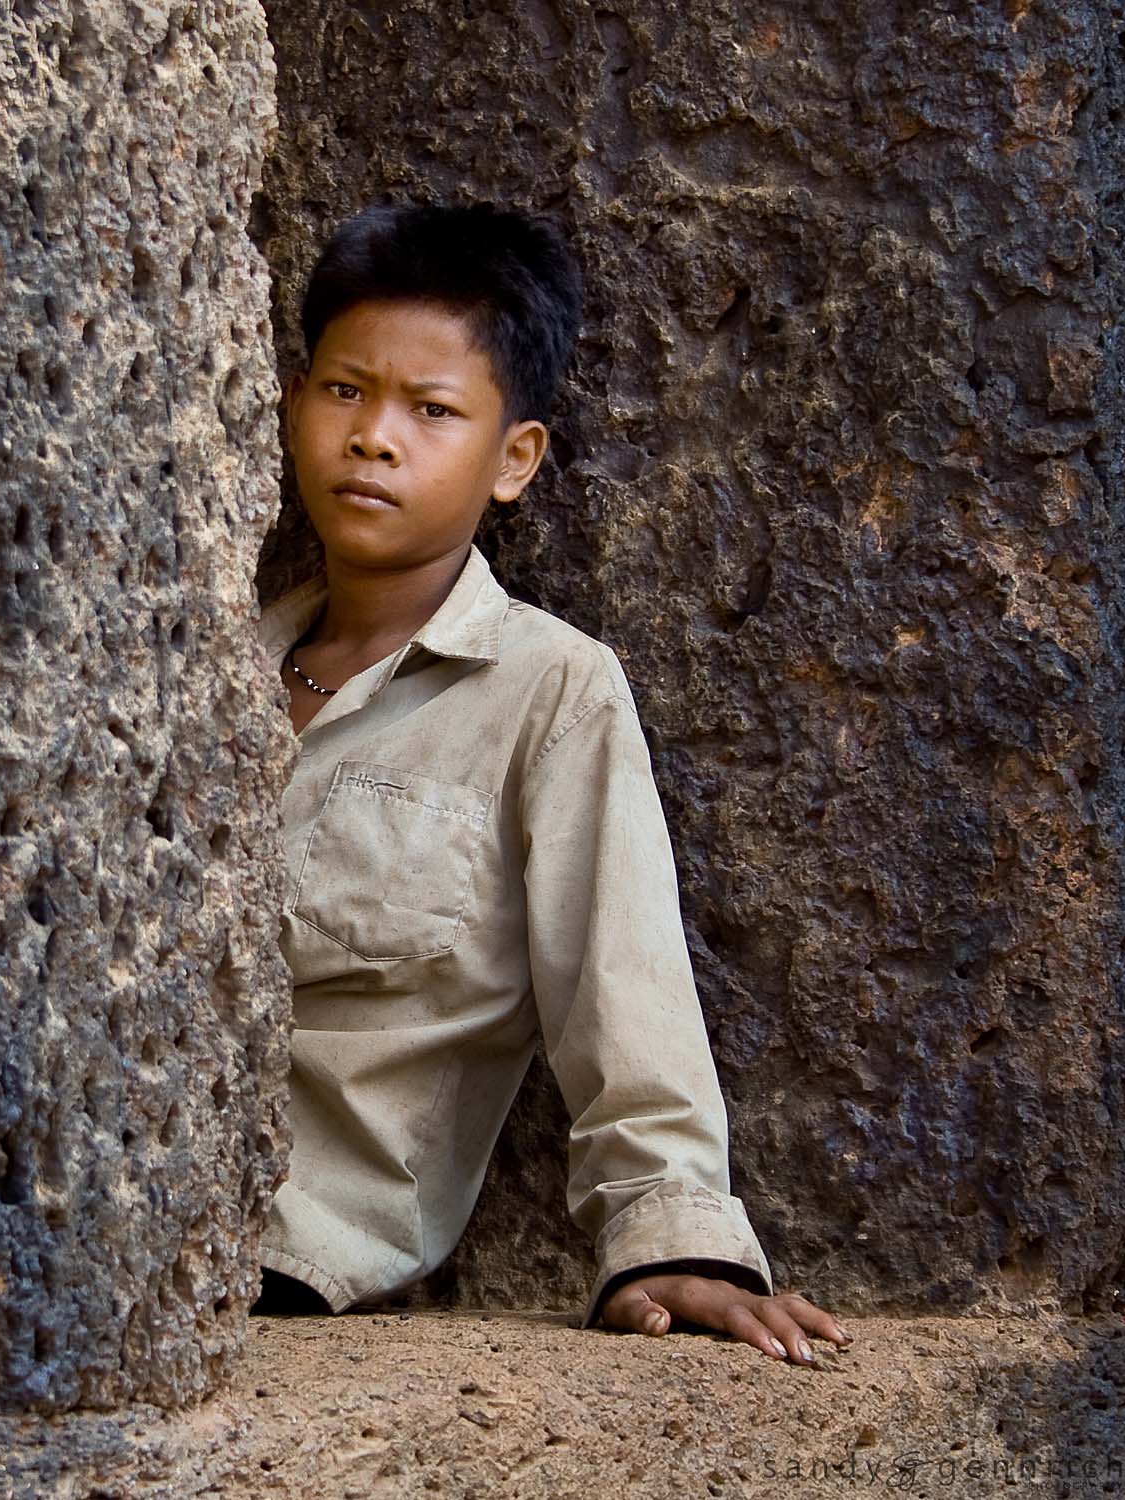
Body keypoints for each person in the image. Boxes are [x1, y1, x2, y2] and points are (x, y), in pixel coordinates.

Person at [253, 202, 852, 1367]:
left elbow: (618, 976)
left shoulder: (548, 690)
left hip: (293, 1253)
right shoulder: (192, 667)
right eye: (343, 392)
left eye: (431, 411)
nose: (375, 437)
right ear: (290, 401)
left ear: (512, 459)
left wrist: (670, 1234)